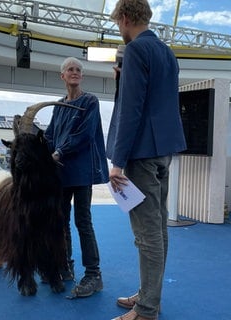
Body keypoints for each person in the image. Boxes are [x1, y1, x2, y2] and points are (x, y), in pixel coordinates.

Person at [106, 1, 186, 319]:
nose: (120, 30)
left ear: (125, 19)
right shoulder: (167, 53)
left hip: (140, 153)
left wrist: (118, 162)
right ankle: (150, 294)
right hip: (163, 151)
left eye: (118, 24)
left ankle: (147, 309)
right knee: (159, 229)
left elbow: (131, 110)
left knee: (147, 233)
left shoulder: (136, 50)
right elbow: (156, 101)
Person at [44, 57, 109, 297]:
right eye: (70, 69)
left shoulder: (90, 101)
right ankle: (65, 266)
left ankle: (93, 274)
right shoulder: (59, 105)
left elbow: (84, 135)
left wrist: (59, 152)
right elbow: (50, 135)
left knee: (83, 222)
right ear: (62, 76)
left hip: (81, 173)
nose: (75, 72)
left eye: (78, 70)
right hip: (61, 173)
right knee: (60, 223)